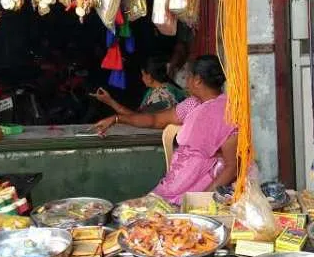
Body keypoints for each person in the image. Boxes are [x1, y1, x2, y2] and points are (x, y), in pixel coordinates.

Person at [94, 55, 236, 204]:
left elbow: (232, 166)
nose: (185, 81)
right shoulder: (192, 105)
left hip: (204, 190)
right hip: (177, 183)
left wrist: (201, 202)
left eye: (188, 76)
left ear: (198, 80)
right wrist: (117, 119)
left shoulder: (227, 113)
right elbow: (154, 120)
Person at [92, 56, 186, 114]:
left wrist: (109, 101)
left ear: (149, 77)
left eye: (143, 75)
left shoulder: (161, 96)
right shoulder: (167, 87)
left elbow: (137, 118)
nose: (142, 78)